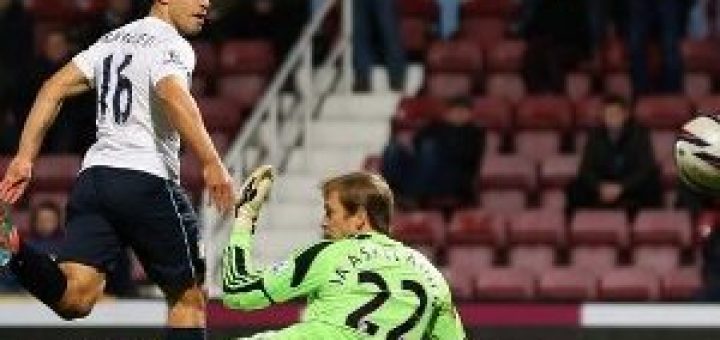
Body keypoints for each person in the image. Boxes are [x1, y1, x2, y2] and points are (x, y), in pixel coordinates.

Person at [0, 1, 235, 339]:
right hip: (146, 180)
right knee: (189, 299)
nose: (206, 3)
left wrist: (24, 158)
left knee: (75, 298)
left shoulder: (111, 40)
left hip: (95, 179)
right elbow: (172, 94)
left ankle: (15, 247)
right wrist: (212, 162)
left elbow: (53, 87)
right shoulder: (171, 43)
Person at [222, 166, 466, 339]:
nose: (324, 222)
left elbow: (238, 291)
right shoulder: (432, 275)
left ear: (360, 217)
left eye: (330, 212)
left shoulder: (330, 255)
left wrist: (245, 217)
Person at [382, 96, 485, 210]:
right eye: (455, 111)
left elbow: (468, 157)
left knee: (429, 148)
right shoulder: (434, 126)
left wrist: (440, 150)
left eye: (463, 111)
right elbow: (417, 144)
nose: (458, 114)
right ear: (447, 113)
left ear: (470, 114)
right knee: (393, 148)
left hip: (452, 175)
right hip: (423, 169)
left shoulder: (475, 133)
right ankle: (392, 192)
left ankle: (412, 195)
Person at [566, 94, 662, 216]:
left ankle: (646, 225)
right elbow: (585, 169)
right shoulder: (594, 136)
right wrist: (600, 187)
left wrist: (622, 187)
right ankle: (579, 224)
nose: (611, 118)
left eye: (615, 114)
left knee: (652, 185)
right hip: (603, 185)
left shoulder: (640, 135)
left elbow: (646, 169)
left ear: (626, 115)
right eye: (608, 115)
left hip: (629, 186)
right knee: (575, 188)